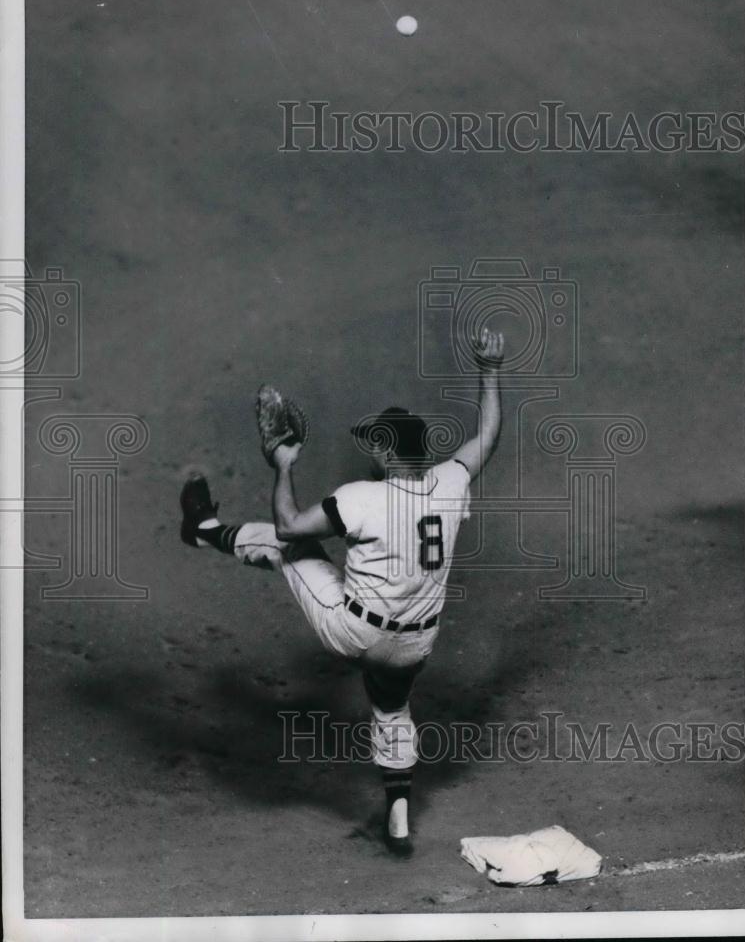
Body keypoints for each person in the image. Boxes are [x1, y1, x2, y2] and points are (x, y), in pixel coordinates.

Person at [180, 329, 504, 855]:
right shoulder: (450, 484)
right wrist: (490, 367)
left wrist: (284, 466)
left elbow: (288, 525)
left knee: (284, 547)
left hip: (352, 628)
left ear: (384, 450)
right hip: (418, 644)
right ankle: (398, 813)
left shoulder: (360, 498)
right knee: (391, 705)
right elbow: (487, 435)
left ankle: (200, 528)